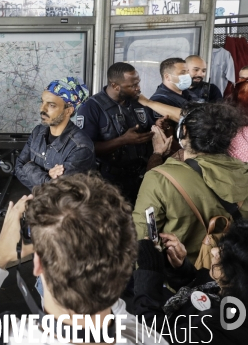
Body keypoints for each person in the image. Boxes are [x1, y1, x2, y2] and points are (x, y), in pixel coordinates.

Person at [0, 174, 159, 344]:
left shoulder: (2, 335)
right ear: (124, 264)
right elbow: (120, 312)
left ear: (38, 264)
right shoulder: (148, 338)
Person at [133, 102, 248, 264]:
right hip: (236, 279)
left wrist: (157, 154)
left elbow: (144, 241)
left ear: (183, 131)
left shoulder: (160, 179)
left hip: (182, 281)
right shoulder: (244, 172)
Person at [134, 223, 248, 342]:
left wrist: (148, 273)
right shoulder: (231, 290)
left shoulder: (219, 328)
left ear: (239, 274)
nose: (213, 250)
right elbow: (200, 290)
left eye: (223, 253)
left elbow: (155, 338)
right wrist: (180, 268)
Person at [76, 62, 154, 204]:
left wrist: (158, 127)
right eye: (132, 85)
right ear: (115, 86)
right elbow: (85, 150)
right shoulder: (91, 107)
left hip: (141, 176)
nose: (138, 88)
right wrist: (123, 140)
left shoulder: (138, 103)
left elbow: (148, 130)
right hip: (109, 181)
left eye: (138, 83)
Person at [15, 77, 95, 190]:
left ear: (69, 110)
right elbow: (18, 167)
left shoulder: (80, 147)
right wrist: (47, 178)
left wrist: (28, 167)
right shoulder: (37, 131)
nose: (42, 109)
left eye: (51, 105)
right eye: (42, 102)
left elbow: (57, 191)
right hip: (37, 204)